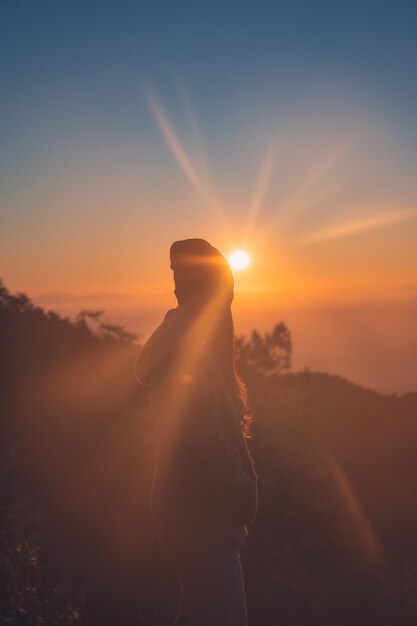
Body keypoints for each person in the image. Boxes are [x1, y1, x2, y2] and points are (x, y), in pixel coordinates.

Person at [135, 238, 258, 626]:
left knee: (200, 614)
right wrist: (241, 482)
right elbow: (198, 437)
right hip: (198, 508)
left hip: (194, 507)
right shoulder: (185, 353)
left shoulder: (195, 351)